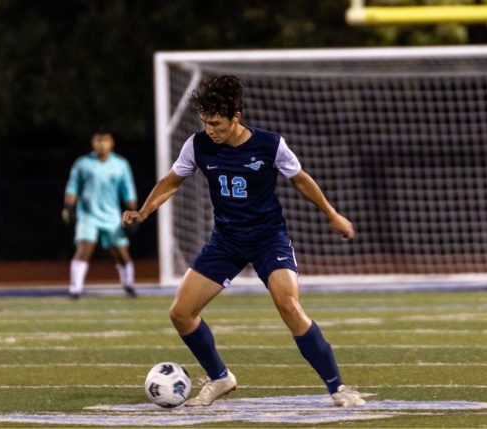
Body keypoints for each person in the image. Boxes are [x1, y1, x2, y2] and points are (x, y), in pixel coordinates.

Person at [122, 75, 365, 407]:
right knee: (180, 312)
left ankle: (338, 388)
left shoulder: (269, 145)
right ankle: (220, 378)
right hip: (226, 241)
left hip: (268, 239)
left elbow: (301, 180)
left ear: (236, 117)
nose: (210, 129)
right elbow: (171, 181)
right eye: (205, 122)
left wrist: (332, 214)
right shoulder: (197, 144)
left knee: (289, 306)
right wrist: (145, 211)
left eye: (217, 123)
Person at [63, 127, 138, 298]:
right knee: (84, 249)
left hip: (111, 215)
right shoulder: (82, 164)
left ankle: (129, 284)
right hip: (87, 214)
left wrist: (134, 213)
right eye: (98, 140)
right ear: (93, 142)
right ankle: (75, 289)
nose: (101, 144)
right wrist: (68, 207)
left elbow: (128, 191)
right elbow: (73, 188)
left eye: (105, 140)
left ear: (111, 143)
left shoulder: (120, 165)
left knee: (121, 252)